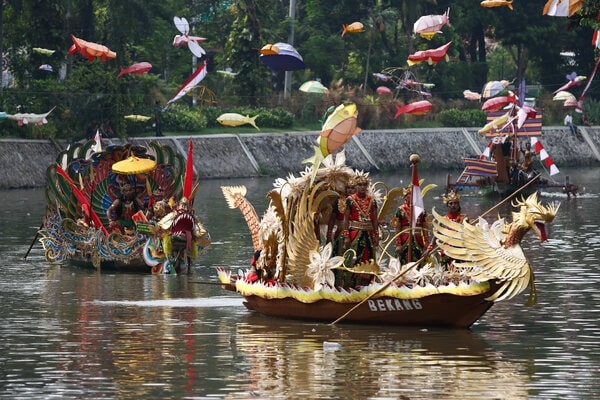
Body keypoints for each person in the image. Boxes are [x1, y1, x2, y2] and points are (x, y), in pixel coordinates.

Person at [341, 174, 378, 286]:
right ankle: (350, 283)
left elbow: (375, 220)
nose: (362, 187)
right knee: (354, 257)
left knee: (369, 256)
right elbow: (346, 219)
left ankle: (367, 283)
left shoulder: (372, 200)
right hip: (355, 233)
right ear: (356, 186)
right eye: (360, 185)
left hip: (369, 234)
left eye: (364, 185)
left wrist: (376, 235)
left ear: (367, 186)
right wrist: (346, 235)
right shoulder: (350, 200)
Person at [393, 186, 429, 265]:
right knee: (403, 260)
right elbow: (397, 228)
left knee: (419, 260)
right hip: (405, 239)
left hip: (418, 239)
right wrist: (398, 244)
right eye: (409, 194)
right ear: (405, 197)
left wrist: (426, 242)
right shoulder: (400, 210)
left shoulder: (421, 210)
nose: (412, 196)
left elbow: (425, 227)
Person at [326, 178, 356, 256]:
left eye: (352, 188)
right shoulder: (339, 201)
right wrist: (329, 235)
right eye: (348, 188)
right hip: (340, 233)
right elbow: (332, 219)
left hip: (356, 233)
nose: (350, 190)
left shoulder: (361, 201)